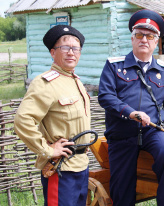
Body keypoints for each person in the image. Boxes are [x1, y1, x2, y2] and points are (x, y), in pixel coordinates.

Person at [98, 9, 164, 206]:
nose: (144, 40)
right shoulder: (114, 66)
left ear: (156, 42)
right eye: (139, 35)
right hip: (121, 132)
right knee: (121, 187)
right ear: (132, 39)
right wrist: (130, 112)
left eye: (150, 36)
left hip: (153, 131)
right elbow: (105, 96)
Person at [14, 25, 91, 206]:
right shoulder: (45, 83)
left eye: (75, 48)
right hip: (61, 168)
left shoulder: (76, 81)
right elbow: (22, 120)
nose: (71, 52)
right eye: (65, 47)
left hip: (81, 165)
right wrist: (48, 150)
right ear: (52, 52)